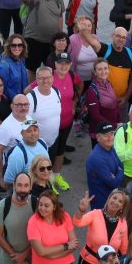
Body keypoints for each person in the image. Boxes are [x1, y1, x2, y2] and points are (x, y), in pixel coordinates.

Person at [16, 0, 65, 74]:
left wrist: (59, 36)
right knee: (32, 70)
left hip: (51, 42)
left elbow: (60, 16)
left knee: (52, 71)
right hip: (34, 40)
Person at [79, 25, 132, 107]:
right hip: (103, 101)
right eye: (118, 36)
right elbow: (93, 43)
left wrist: (126, 97)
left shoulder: (130, 54)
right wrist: (83, 29)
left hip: (121, 101)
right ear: (112, 35)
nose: (120, 39)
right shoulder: (105, 49)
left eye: (123, 37)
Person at [50, 53, 84, 185]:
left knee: (60, 151)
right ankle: (47, 181)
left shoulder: (72, 75)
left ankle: (57, 176)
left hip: (67, 121)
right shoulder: (48, 76)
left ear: (70, 65)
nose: (63, 66)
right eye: (60, 63)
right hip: (51, 124)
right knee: (50, 153)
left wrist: (74, 102)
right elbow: (29, 90)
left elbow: (80, 85)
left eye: (66, 63)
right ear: (55, 64)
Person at [25, 66, 63, 161]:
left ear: (52, 78)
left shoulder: (56, 91)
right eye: (41, 78)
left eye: (48, 77)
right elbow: (25, 123)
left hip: (54, 141)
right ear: (36, 80)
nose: (45, 81)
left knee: (50, 165)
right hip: (37, 145)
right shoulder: (31, 98)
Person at [85, 122, 124, 212]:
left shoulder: (110, 148)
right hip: (101, 203)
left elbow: (121, 166)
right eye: (106, 135)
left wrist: (118, 172)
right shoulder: (97, 158)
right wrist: (119, 171)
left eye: (111, 133)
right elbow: (114, 183)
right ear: (98, 138)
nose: (110, 137)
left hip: (111, 198)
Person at [0, 94, 30, 188]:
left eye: (26, 104)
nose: (23, 108)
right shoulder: (5, 127)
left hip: (30, 169)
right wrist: (1, 175)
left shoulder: (29, 118)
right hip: (15, 171)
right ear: (12, 106)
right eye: (19, 105)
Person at [3, 118, 51, 185]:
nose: (33, 133)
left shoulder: (42, 143)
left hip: (44, 185)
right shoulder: (18, 154)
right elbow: (9, 180)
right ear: (22, 133)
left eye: (35, 130)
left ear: (39, 131)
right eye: (28, 131)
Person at [84, 61, 122, 144]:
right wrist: (114, 125)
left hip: (111, 129)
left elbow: (116, 104)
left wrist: (119, 121)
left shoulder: (109, 83)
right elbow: (95, 115)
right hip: (100, 132)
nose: (103, 71)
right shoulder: (92, 90)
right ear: (95, 72)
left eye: (105, 68)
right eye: (100, 69)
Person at [69, 17, 101, 82]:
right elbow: (67, 58)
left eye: (89, 26)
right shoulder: (73, 39)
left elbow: (100, 54)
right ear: (78, 27)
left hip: (94, 79)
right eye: (84, 25)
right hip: (78, 80)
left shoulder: (95, 38)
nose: (86, 28)